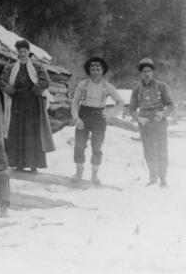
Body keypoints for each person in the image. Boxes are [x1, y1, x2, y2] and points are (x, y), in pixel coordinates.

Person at [0, 39, 55, 171]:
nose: (23, 54)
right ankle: (18, 163)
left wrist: (35, 90)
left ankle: (34, 164)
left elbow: (45, 80)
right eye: (20, 51)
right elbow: (2, 81)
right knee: (17, 132)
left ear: (29, 52)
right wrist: (11, 90)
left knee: (32, 133)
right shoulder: (11, 67)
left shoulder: (37, 66)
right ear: (17, 53)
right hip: (17, 103)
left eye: (25, 51)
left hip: (33, 103)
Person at [70, 56, 125, 185]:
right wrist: (76, 118)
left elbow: (120, 102)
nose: (95, 71)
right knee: (79, 146)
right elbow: (75, 102)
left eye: (98, 69)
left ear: (102, 70)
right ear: (89, 70)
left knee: (97, 146)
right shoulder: (82, 84)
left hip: (98, 117)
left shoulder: (108, 86)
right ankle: (79, 171)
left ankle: (94, 174)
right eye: (92, 69)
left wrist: (110, 113)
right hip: (83, 115)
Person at [128, 58, 175, 187]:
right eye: (144, 71)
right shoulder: (136, 89)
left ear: (153, 72)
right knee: (149, 150)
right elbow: (131, 109)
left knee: (161, 149)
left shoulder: (162, 86)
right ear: (140, 73)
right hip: (145, 123)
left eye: (149, 71)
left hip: (159, 121)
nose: (147, 74)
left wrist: (163, 113)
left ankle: (163, 179)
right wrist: (139, 118)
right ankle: (153, 178)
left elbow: (171, 105)